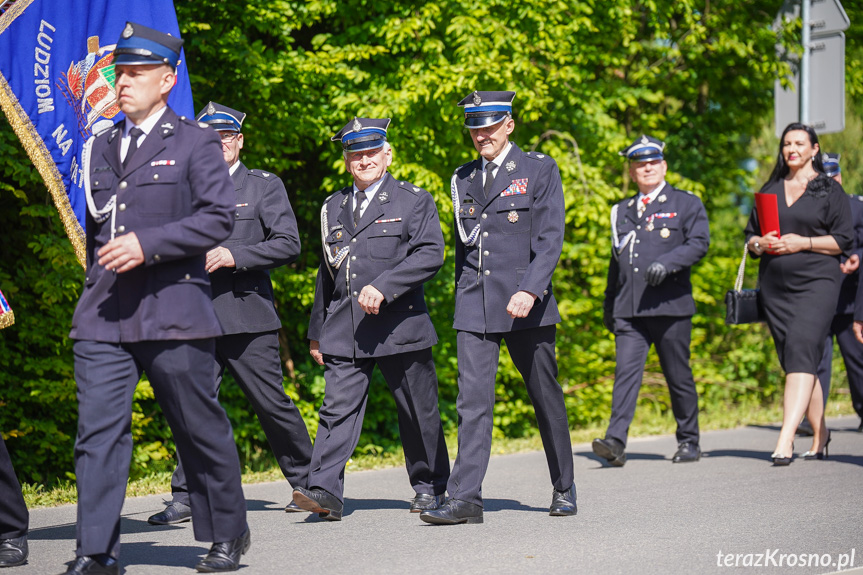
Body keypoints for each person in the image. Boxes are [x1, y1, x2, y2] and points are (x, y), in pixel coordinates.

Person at [66, 22, 249, 574]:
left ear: (166, 80)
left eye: (136, 73)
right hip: (104, 312)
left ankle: (225, 533)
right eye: (119, 72)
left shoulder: (195, 142)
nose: (122, 82)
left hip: (175, 309)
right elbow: (99, 228)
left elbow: (218, 218)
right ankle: (96, 551)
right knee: (97, 435)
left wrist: (149, 244)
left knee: (197, 426)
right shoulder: (99, 143)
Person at [147, 102, 313, 526]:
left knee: (270, 403)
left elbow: (288, 244)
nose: (217, 144)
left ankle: (312, 482)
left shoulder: (263, 186)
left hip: (246, 315)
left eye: (225, 137)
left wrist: (233, 255)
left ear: (238, 140)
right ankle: (186, 496)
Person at [419, 91, 576, 526]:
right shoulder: (464, 176)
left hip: (527, 304)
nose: (481, 135)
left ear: (509, 124)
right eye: (475, 127)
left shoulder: (538, 168)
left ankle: (564, 484)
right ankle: (466, 496)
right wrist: (461, 298)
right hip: (475, 304)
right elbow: (466, 250)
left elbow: (550, 238)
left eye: (489, 126)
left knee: (545, 396)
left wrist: (530, 290)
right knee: (472, 402)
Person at [292, 117, 450, 521]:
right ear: (346, 161)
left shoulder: (414, 199)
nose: (363, 160)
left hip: (401, 325)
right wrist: (316, 334)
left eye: (370, 152)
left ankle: (430, 485)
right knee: (335, 409)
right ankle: (324, 490)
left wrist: (386, 285)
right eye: (355, 154)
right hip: (346, 327)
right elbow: (326, 274)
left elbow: (430, 253)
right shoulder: (332, 206)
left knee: (418, 412)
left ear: (387, 154)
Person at [593, 135, 709, 467]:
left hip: (669, 306)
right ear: (631, 171)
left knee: (678, 374)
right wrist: (608, 303)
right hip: (629, 309)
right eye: (640, 165)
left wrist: (669, 263)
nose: (647, 169)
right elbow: (615, 262)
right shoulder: (621, 211)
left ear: (664, 166)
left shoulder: (686, 203)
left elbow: (700, 243)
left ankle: (689, 440)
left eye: (653, 163)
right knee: (625, 373)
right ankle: (615, 441)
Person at [745, 123, 853, 465]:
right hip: (775, 288)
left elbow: (843, 240)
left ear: (814, 149)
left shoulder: (829, 191)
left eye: (799, 143)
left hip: (817, 285)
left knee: (803, 350)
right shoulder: (770, 189)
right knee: (797, 361)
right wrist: (759, 243)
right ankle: (821, 435)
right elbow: (751, 237)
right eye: (787, 143)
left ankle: (785, 439)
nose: (792, 149)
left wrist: (802, 242)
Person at [811, 154, 863, 435]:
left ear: (840, 177)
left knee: (857, 361)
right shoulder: (809, 209)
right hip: (818, 298)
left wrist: (856, 257)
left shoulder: (857, 207)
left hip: (848, 300)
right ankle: (812, 419)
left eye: (835, 178)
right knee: (816, 361)